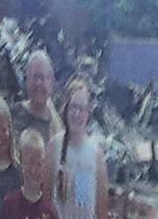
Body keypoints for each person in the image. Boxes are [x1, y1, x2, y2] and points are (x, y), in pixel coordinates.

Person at [53, 79, 108, 219]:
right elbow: (46, 203)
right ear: (66, 108)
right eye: (73, 107)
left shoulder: (96, 155)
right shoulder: (54, 146)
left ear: (88, 112)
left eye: (82, 109)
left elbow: (101, 210)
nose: (77, 114)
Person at [11, 52, 64, 157]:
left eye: (43, 78)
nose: (38, 83)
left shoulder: (56, 130)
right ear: (26, 80)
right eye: (35, 77)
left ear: (52, 82)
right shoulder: (13, 114)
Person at [0, 130, 57, 219]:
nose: (34, 170)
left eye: (39, 164)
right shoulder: (10, 204)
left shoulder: (49, 210)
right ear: (21, 163)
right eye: (30, 162)